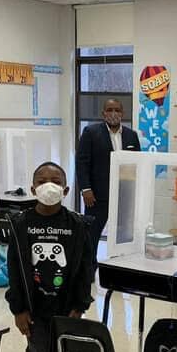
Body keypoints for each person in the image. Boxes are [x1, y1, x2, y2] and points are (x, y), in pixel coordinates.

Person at [5, 162, 93, 352]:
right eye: (42, 181)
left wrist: (80, 306)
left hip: (66, 310)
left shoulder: (77, 225)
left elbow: (85, 269)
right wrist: (17, 308)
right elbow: (15, 270)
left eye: (55, 180)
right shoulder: (20, 224)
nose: (48, 185)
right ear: (33, 189)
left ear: (66, 190)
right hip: (34, 310)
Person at [76, 99, 141, 270]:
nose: (114, 113)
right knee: (92, 233)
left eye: (117, 110)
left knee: (124, 235)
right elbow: (82, 162)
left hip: (125, 194)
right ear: (103, 113)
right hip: (97, 195)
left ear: (123, 113)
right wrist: (86, 189)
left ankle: (121, 267)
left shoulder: (131, 135)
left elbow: (138, 164)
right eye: (110, 110)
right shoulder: (90, 132)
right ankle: (88, 270)